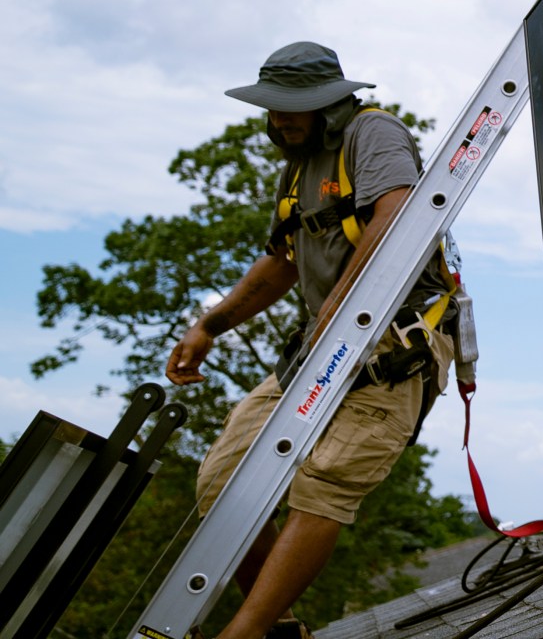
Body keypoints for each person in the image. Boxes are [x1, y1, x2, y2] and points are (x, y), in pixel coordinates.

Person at [172, 42, 456, 639]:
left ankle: (244, 633)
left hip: (390, 349)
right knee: (223, 481)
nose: (279, 120)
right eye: (272, 108)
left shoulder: (371, 134)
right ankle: (277, 628)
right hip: (316, 353)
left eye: (291, 107)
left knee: (322, 485)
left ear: (331, 102)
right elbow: (281, 262)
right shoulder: (298, 166)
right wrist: (210, 325)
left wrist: (337, 305)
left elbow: (398, 213)